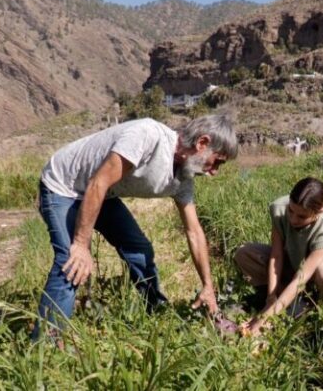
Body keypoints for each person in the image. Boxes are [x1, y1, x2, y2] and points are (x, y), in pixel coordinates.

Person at [35, 114, 238, 336]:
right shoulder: (147, 136)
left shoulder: (183, 178)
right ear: (202, 143)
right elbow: (98, 182)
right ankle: (46, 344)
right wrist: (82, 244)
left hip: (104, 193)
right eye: (217, 161)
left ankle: (156, 312)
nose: (215, 170)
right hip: (64, 185)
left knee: (140, 251)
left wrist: (208, 286)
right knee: (71, 262)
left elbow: (194, 232)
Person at [234, 177, 323, 337]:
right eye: (291, 211)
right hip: (298, 259)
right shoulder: (279, 209)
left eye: (301, 217)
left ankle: (319, 312)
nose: (293, 219)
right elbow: (277, 255)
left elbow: (301, 278)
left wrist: (265, 318)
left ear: (320, 210)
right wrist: (271, 298)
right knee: (245, 254)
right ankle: (293, 305)